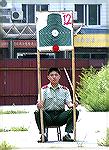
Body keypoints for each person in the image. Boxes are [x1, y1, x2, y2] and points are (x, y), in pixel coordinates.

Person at [34, 67, 79, 142]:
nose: (54, 77)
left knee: (75, 111)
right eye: (51, 75)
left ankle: (67, 134)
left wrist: (74, 105)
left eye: (56, 75)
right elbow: (40, 103)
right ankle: (43, 135)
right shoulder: (44, 89)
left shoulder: (65, 90)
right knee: (37, 112)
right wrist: (39, 105)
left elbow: (69, 104)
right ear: (48, 77)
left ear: (59, 77)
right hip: (48, 116)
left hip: (60, 116)